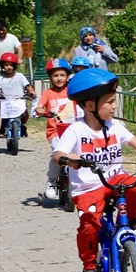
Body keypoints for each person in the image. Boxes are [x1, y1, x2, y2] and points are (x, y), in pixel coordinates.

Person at [52, 69, 136, 272]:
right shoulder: (77, 129)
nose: (114, 107)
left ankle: (133, 221)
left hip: (114, 180)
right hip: (88, 188)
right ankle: (88, 269)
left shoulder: (114, 126)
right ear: (90, 104)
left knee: (134, 183)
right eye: (109, 102)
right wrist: (70, 159)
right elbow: (58, 154)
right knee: (89, 225)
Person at [34, 58, 76, 199]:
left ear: (67, 76)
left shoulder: (72, 91)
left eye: (62, 75)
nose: (59, 78)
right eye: (55, 75)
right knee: (57, 154)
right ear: (50, 77)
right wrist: (40, 109)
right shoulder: (48, 93)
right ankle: (51, 181)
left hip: (73, 130)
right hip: (55, 132)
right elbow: (40, 105)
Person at [0, 51, 35, 138]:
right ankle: (2, 129)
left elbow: (27, 85)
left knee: (24, 115)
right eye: (6, 65)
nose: (9, 67)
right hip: (6, 101)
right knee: (5, 116)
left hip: (19, 100)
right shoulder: (0, 78)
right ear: (3, 66)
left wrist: (31, 91)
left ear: (14, 66)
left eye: (11, 65)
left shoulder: (20, 76)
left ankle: (23, 126)